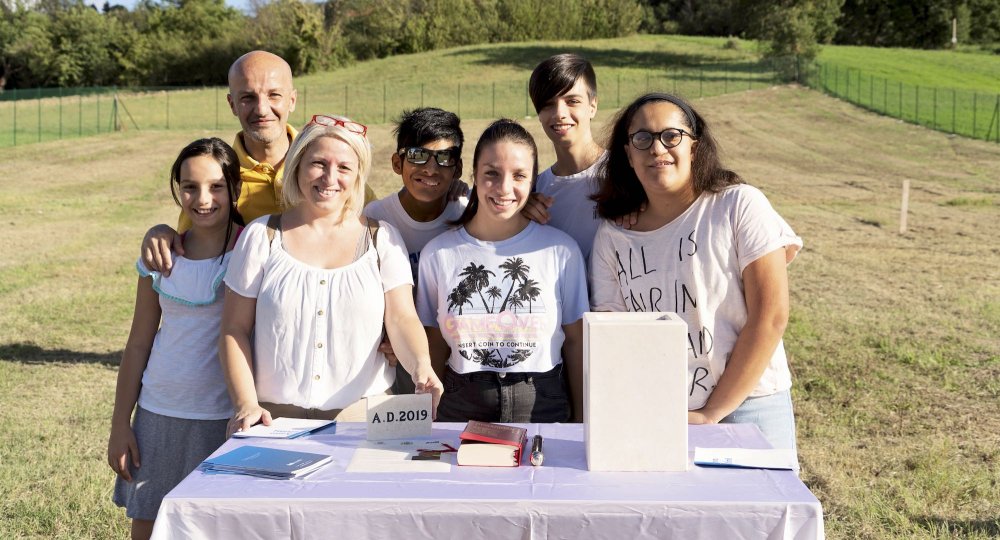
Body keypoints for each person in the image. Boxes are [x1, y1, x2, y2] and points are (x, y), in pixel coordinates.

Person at [589, 92, 803, 454]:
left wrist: (712, 412)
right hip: (658, 415)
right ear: (627, 153)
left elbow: (771, 317)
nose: (657, 149)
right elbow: (617, 341)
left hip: (751, 406)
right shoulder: (613, 237)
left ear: (694, 145)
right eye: (642, 138)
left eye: (671, 136)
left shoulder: (739, 205)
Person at [220, 114, 443, 436]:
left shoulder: (384, 239)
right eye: (318, 163)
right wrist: (245, 404)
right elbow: (233, 329)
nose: (329, 178)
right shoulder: (261, 236)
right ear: (297, 165)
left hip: (368, 418)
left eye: (344, 168)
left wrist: (422, 367)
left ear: (357, 177)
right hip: (273, 419)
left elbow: (402, 319)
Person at [108, 138, 244, 540]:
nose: (203, 199)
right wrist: (120, 423)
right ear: (176, 189)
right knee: (151, 524)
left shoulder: (254, 249)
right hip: (159, 411)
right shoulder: (160, 257)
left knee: (219, 526)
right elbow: (138, 344)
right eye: (190, 187)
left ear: (235, 188)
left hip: (224, 416)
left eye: (216, 186)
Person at [140, 50, 378, 277]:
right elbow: (190, 249)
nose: (262, 109)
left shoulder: (330, 173)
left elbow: (379, 232)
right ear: (232, 104)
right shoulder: (216, 178)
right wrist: (162, 234)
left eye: (274, 95)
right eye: (247, 97)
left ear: (292, 100)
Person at [416, 119, 588, 423]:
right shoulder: (438, 254)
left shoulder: (561, 251)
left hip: (544, 402)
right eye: (492, 174)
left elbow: (576, 342)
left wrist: (581, 417)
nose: (504, 188)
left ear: (533, 181)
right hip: (458, 403)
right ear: (474, 176)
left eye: (518, 175)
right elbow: (433, 342)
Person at [364, 107, 468, 394]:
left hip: (457, 356)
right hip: (393, 357)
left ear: (457, 168)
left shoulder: (469, 216)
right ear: (398, 163)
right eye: (418, 156)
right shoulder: (374, 219)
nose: (431, 169)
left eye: (445, 158)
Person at [522, 53, 612, 261]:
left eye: (572, 101)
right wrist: (518, 209)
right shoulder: (535, 192)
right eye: (548, 104)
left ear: (593, 105)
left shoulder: (625, 173)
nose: (560, 113)